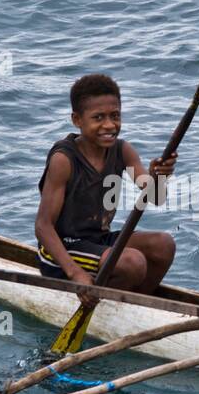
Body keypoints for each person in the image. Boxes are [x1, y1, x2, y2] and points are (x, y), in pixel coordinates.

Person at [35, 74, 177, 300]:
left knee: (163, 245)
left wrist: (160, 176)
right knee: (133, 263)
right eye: (98, 117)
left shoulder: (122, 150)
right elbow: (43, 227)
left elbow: (156, 197)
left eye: (115, 116)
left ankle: (135, 304)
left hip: (97, 242)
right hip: (62, 252)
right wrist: (76, 274)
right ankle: (109, 301)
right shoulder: (64, 159)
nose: (109, 125)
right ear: (77, 120)